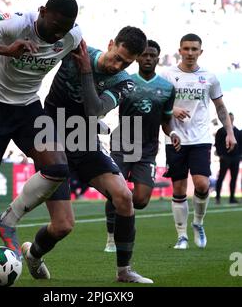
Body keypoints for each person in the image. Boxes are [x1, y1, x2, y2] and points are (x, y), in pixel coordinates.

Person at [0, 0, 82, 284]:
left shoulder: (72, 35)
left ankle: (7, 221)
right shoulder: (15, 23)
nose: (60, 33)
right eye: (56, 25)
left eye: (67, 27)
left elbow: (81, 52)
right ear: (42, 12)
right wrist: (6, 50)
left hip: (27, 108)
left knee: (57, 167)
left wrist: (87, 72)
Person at [20, 27, 153, 283]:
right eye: (117, 56)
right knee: (63, 226)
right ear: (111, 42)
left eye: (125, 62)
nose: (117, 65)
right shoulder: (74, 52)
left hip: (83, 139)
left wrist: (85, 72)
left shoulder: (125, 82)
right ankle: (34, 254)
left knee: (124, 196)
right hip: (52, 137)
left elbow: (94, 112)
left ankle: (124, 272)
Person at [160, 33, 237, 250]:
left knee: (202, 185)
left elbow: (220, 107)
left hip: (201, 137)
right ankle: (182, 236)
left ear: (200, 52)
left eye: (194, 49)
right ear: (180, 50)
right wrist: (172, 109)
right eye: (186, 49)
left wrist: (229, 132)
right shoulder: (167, 75)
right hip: (174, 137)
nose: (190, 53)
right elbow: (159, 105)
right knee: (178, 188)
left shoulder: (209, 77)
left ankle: (198, 223)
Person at [103, 40, 181, 253]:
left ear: (158, 58)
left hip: (147, 149)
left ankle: (123, 216)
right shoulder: (124, 81)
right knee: (115, 192)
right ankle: (111, 237)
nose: (148, 58)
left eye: (152, 55)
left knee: (140, 200)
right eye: (144, 54)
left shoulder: (167, 88)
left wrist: (172, 132)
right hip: (122, 143)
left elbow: (167, 120)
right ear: (137, 57)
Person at [215, 112, 242, 204]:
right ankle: (217, 197)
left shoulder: (238, 131)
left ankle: (232, 198)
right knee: (221, 177)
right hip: (225, 157)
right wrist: (221, 155)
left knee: (234, 178)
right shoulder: (221, 131)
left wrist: (240, 156)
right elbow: (217, 144)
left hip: (235, 158)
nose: (231, 120)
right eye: (229, 118)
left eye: (232, 118)